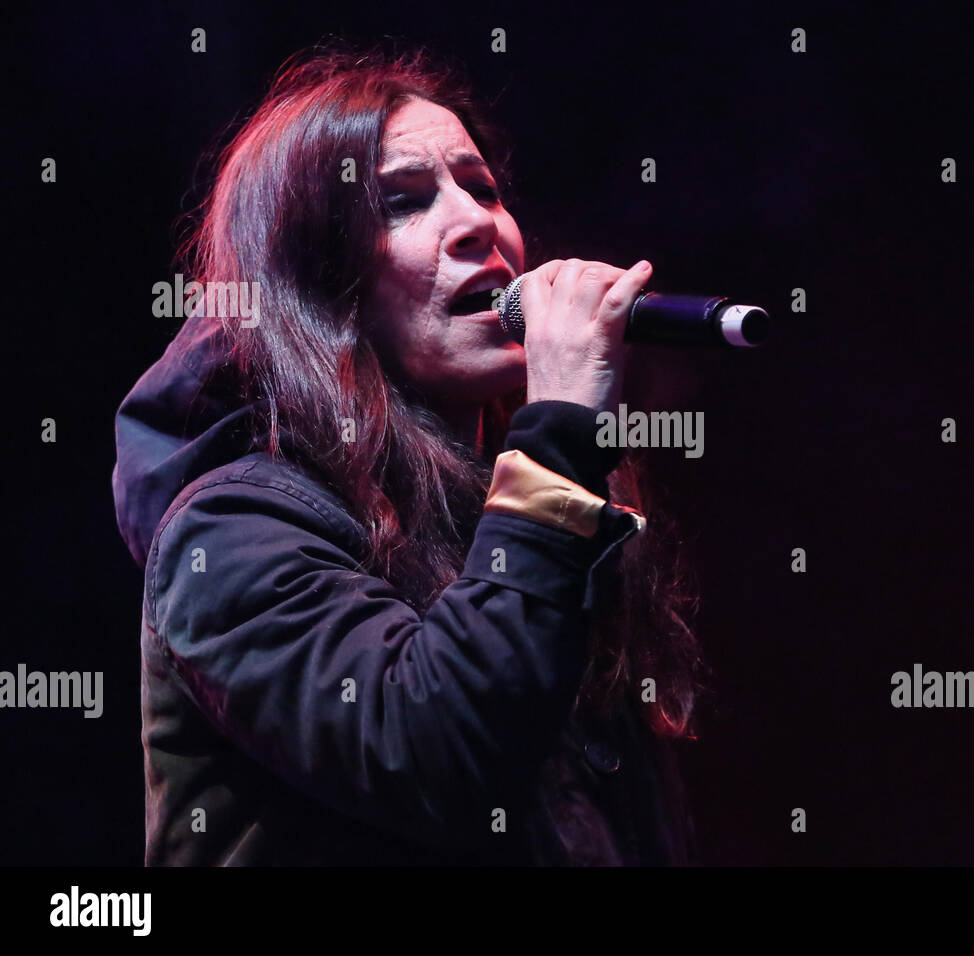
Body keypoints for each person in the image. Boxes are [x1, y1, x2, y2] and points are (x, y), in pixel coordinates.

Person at [111, 44, 706, 865]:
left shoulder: (513, 515)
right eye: (403, 202)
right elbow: (440, 750)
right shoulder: (230, 528)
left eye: (484, 188)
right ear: (316, 283)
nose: (477, 224)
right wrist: (561, 431)